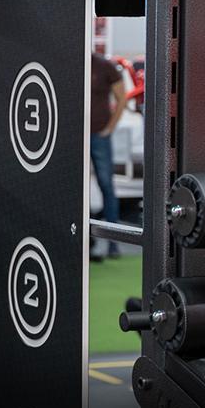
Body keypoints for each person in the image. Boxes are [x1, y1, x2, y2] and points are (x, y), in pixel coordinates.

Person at [89, 53, 126, 261]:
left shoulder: (104, 66)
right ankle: (85, 242)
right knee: (74, 188)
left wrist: (110, 128)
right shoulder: (70, 64)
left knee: (106, 185)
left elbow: (122, 97)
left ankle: (114, 243)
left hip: (99, 135)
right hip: (76, 137)